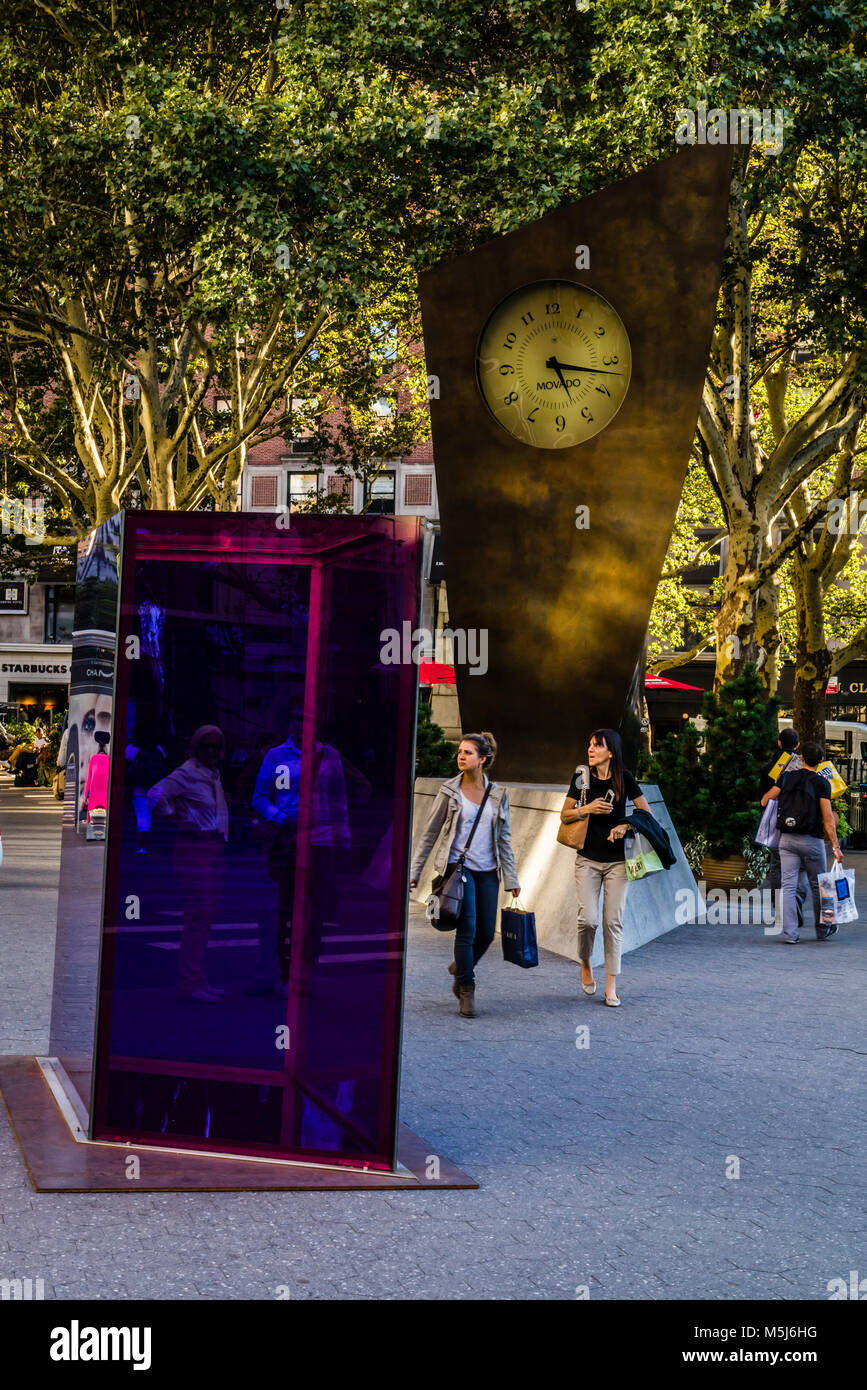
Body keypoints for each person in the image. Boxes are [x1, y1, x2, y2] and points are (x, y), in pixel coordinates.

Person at [410, 731, 520, 1019]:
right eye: (460, 751)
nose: (461, 756)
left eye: (468, 752)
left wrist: (512, 879)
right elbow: (430, 833)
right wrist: (415, 870)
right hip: (458, 870)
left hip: (488, 871)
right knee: (467, 929)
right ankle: (467, 988)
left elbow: (504, 839)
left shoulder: (497, 794)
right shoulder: (449, 791)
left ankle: (461, 966)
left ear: (482, 759)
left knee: (485, 933)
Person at [560, 728, 652, 1007]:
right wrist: (586, 809)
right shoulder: (582, 777)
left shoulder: (624, 778)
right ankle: (586, 961)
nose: (590, 750)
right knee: (587, 920)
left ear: (610, 751)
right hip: (587, 859)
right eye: (589, 745)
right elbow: (564, 815)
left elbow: (645, 812)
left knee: (613, 922)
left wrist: (625, 825)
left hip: (617, 863)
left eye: (597, 746)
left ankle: (611, 985)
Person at [147, 725, 229, 1001]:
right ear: (196, 747)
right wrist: (177, 819)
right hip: (195, 848)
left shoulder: (211, 774)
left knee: (204, 917)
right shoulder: (188, 773)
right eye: (207, 746)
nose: (213, 751)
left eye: (217, 746)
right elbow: (154, 795)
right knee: (198, 915)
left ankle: (197, 979)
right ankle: (191, 982)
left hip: (212, 847)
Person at [762, 740, 843, 943]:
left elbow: (766, 800)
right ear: (822, 761)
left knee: (788, 886)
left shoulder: (787, 777)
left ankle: (790, 934)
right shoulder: (821, 783)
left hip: (786, 839)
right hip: (812, 841)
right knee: (820, 885)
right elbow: (827, 819)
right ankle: (822, 929)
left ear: (802, 759)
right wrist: (835, 846)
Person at [760, 727, 806, 931]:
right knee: (801, 866)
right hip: (802, 820)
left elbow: (764, 791)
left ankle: (780, 908)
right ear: (797, 744)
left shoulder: (773, 765)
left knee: (777, 865)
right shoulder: (804, 763)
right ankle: (794, 902)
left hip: (776, 819)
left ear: (779, 743)